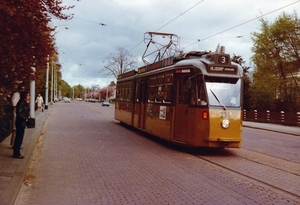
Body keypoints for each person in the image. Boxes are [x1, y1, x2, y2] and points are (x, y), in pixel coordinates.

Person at [13, 91, 30, 159]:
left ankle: (17, 152)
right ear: (24, 96)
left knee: (20, 137)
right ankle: (16, 153)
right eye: (28, 95)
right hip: (20, 122)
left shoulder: (24, 103)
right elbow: (19, 113)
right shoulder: (21, 103)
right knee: (19, 138)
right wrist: (25, 119)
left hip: (21, 122)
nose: (29, 97)